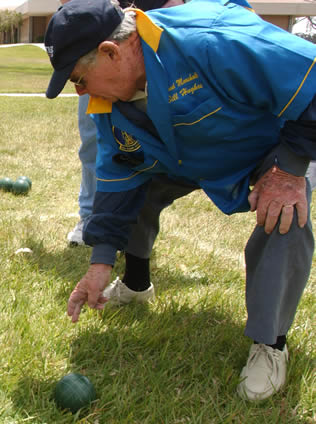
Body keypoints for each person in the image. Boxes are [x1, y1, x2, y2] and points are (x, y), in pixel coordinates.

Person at [44, 0, 315, 401]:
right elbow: (119, 177)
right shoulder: (109, 105)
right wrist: (100, 262)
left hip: (268, 154)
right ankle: (136, 285)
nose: (82, 93)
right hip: (186, 158)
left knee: (285, 213)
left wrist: (290, 170)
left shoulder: (211, 38)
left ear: (110, 52)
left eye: (79, 80)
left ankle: (270, 344)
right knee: (140, 187)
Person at [66, 0, 183, 249]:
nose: (79, 91)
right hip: (94, 41)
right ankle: (94, 220)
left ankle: (128, 232)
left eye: (79, 81)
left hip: (144, 40)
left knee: (150, 157)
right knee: (101, 145)